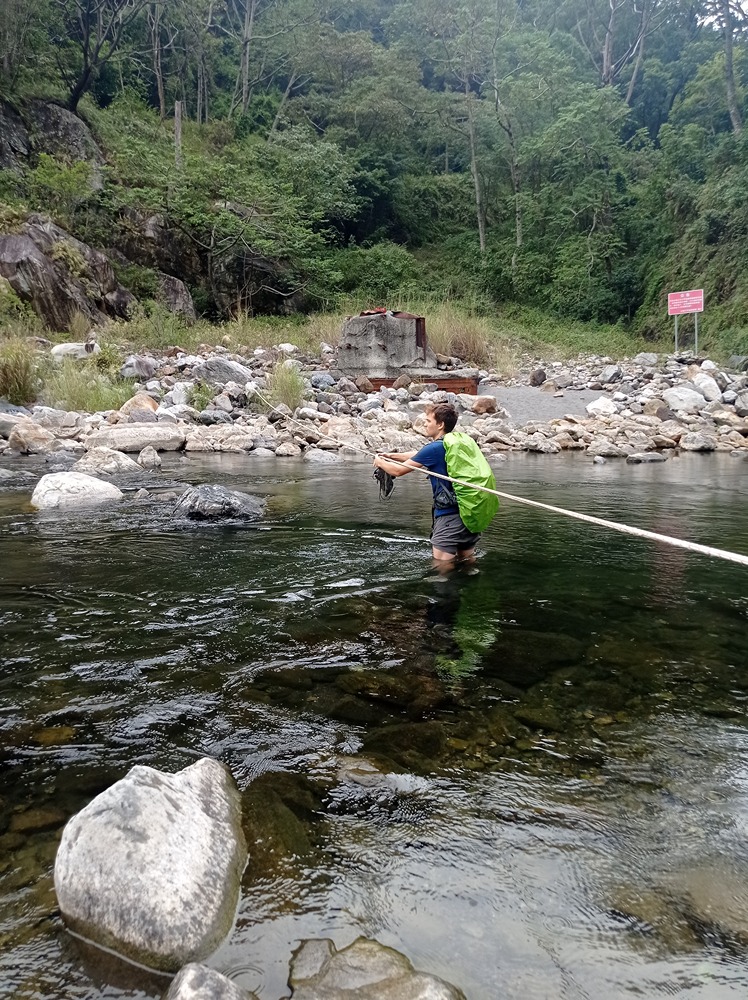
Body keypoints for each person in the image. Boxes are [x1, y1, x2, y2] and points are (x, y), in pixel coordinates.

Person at [373, 402, 481, 566]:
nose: (424, 423)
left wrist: (379, 462)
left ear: (441, 425)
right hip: (470, 514)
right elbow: (419, 456)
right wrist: (392, 455)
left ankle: (441, 591)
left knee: (441, 567)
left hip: (449, 518)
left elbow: (397, 471)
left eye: (428, 421)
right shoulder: (454, 443)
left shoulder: (434, 448)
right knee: (467, 561)